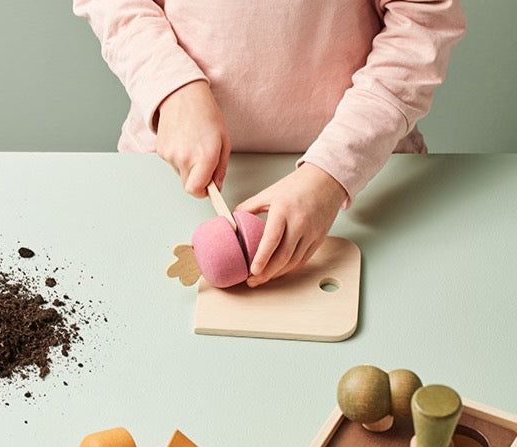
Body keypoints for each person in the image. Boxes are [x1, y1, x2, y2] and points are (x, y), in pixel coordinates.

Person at [73, 1, 466, 286]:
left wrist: (331, 173)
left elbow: (422, 24)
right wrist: (170, 87)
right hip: (167, 170)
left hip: (360, 177)